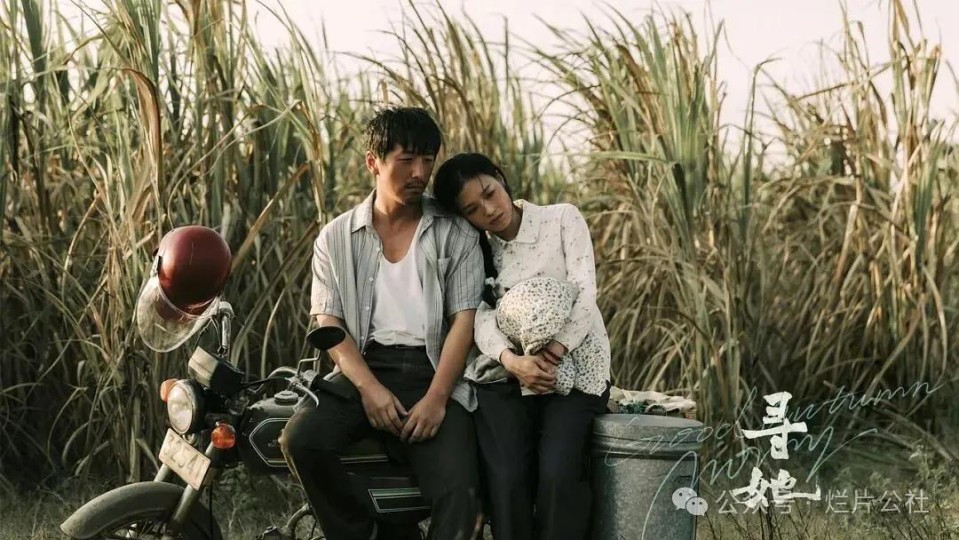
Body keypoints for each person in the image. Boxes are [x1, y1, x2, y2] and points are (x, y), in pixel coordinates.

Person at [280, 108, 485, 540]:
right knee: (300, 440)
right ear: (373, 162)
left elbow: (464, 322)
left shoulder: (457, 233)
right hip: (364, 367)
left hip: (434, 370)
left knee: (461, 493)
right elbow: (329, 320)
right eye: (406, 160)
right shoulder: (336, 237)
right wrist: (369, 389)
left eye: (427, 160)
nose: (420, 173)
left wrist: (437, 399)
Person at [433, 153, 612, 540]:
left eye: (489, 193)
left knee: (557, 473)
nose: (489, 210)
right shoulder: (479, 250)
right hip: (510, 373)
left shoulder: (561, 219)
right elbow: (479, 315)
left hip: (577, 367)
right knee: (506, 476)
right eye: (472, 209)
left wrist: (555, 351)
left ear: (500, 178)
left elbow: (585, 292)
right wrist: (512, 361)